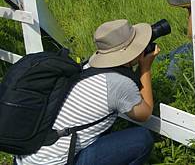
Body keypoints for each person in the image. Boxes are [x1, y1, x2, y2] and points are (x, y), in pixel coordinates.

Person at [16, 19, 158, 165]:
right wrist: (145, 68)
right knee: (141, 139)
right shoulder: (119, 84)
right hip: (56, 162)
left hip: (27, 156)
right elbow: (144, 114)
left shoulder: (88, 67)